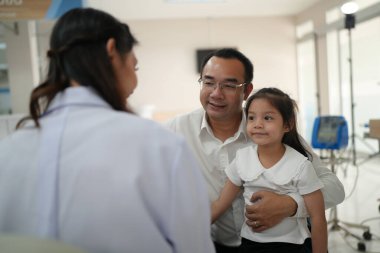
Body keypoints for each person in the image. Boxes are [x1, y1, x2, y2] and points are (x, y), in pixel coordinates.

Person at [0, 8, 215, 253]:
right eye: (134, 68)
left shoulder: (8, 149)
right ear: (112, 50)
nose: (134, 84)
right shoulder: (161, 146)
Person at [165, 48, 344, 252]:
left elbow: (335, 188)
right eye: (208, 82)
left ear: (247, 91)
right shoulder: (176, 131)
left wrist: (291, 204)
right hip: (215, 243)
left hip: (288, 243)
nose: (216, 93)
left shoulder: (275, 134)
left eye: (229, 85)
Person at [211, 87, 327, 253]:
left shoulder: (300, 165)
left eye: (267, 118)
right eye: (251, 117)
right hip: (250, 244)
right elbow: (220, 204)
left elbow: (318, 218)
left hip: (292, 246)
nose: (257, 124)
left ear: (287, 124)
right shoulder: (242, 158)